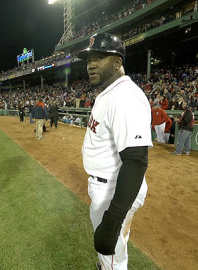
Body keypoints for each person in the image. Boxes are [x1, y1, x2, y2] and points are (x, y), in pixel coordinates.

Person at [78, 33, 151, 270]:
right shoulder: (108, 93)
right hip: (106, 184)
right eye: (89, 59)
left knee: (112, 258)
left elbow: (136, 161)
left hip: (113, 188)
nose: (91, 64)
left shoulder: (125, 97)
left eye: (99, 57)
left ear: (118, 62)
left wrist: (113, 218)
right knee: (112, 256)